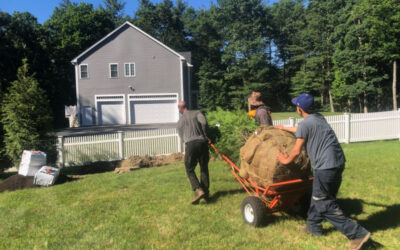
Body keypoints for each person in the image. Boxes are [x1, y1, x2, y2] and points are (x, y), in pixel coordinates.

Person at [275, 93, 370, 250]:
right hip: (337, 162)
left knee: (323, 202)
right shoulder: (318, 117)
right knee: (319, 195)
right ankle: (313, 227)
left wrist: (285, 160)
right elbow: (301, 128)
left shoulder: (307, 124)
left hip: (325, 166)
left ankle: (358, 234)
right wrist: (284, 128)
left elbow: (296, 151)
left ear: (299, 109)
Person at [177, 101, 210, 204]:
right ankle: (205, 194)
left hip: (191, 145)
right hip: (202, 142)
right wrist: (205, 135)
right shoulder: (197, 113)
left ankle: (198, 189)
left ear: (180, 109)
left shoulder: (181, 120)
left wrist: (185, 141)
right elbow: (204, 123)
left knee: (189, 168)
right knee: (204, 168)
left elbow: (180, 133)